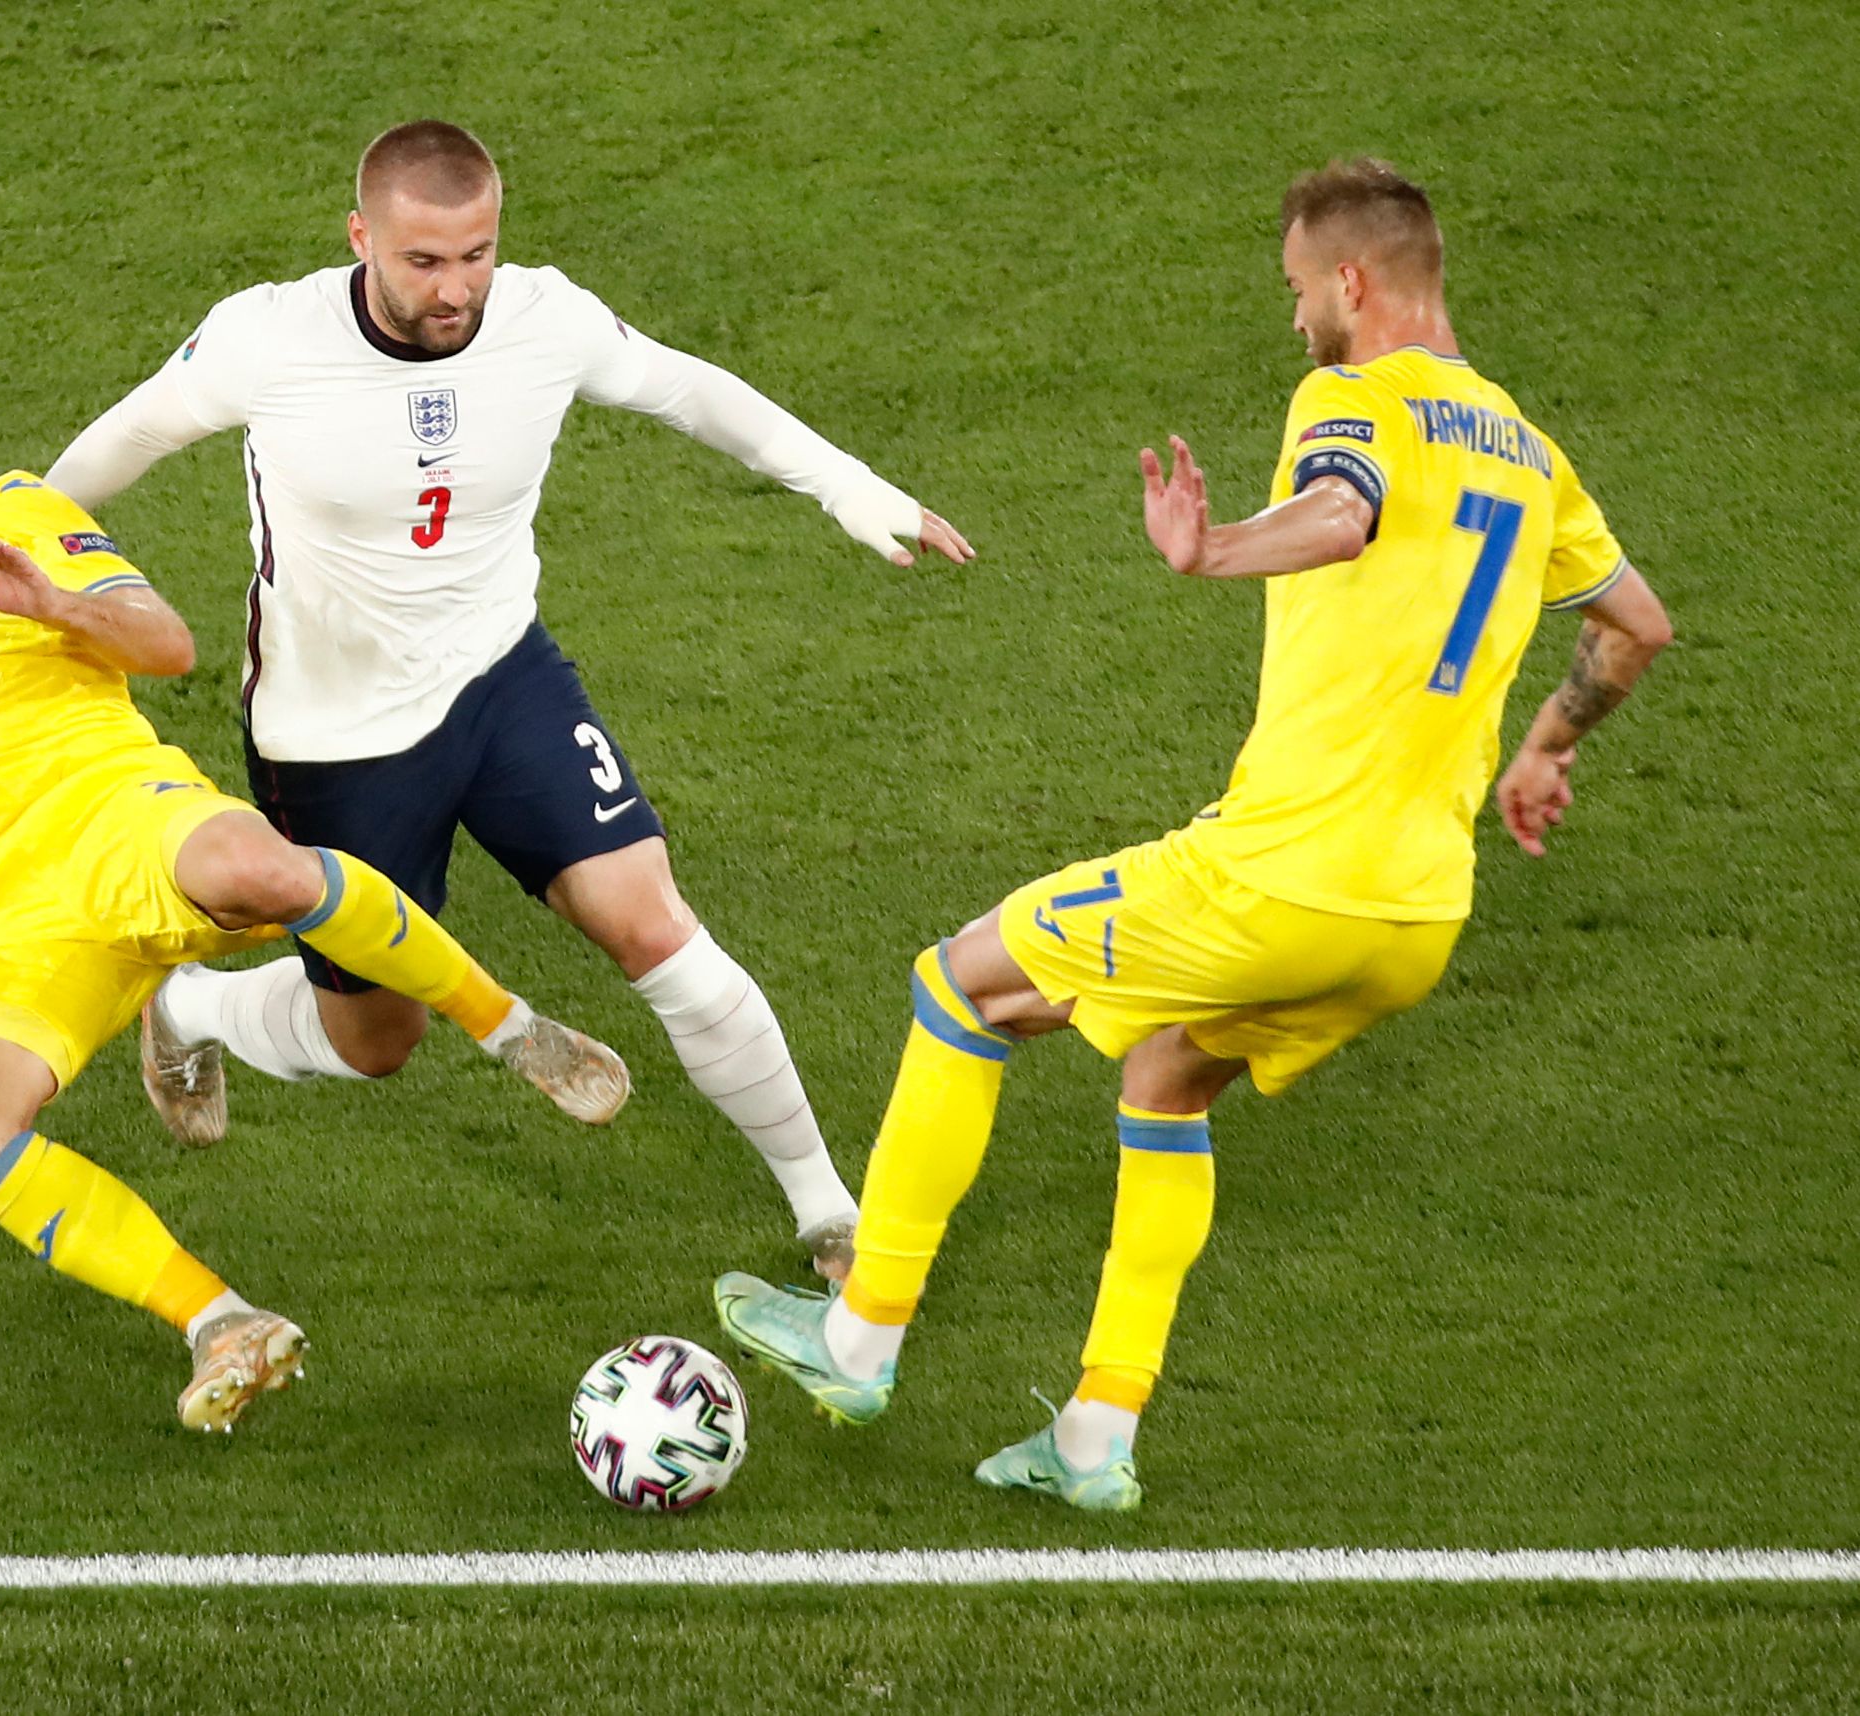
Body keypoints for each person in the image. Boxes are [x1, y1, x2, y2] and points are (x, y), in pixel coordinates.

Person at [713, 159, 1673, 1510]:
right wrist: (1547, 746)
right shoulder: (1528, 449)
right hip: (1414, 918)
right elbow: (1636, 626)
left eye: (1298, 289)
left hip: (1282, 876)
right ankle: (1094, 1440)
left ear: (1351, 281)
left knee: (961, 984)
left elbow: (1344, 512)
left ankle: (859, 1336)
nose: (1295, 318)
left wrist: (1211, 549)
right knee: (1165, 1077)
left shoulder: (1352, 396)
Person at [0, 356, 628, 1433]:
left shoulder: (9, 513)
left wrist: (53, 605)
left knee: (266, 872)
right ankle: (221, 1323)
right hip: (10, 917)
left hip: (120, 819)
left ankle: (513, 1030)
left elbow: (169, 644)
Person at [48, 119, 975, 1280]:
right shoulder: (269, 339)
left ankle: (829, 1213)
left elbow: (691, 390)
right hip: (332, 739)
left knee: (654, 924)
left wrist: (844, 484)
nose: (456, 288)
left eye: (476, 254)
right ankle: (195, 1009)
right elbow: (118, 445)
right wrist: (9, 559)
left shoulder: (544, 319)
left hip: (501, 676)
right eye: (424, 261)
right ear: (360, 237)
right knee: (375, 1042)